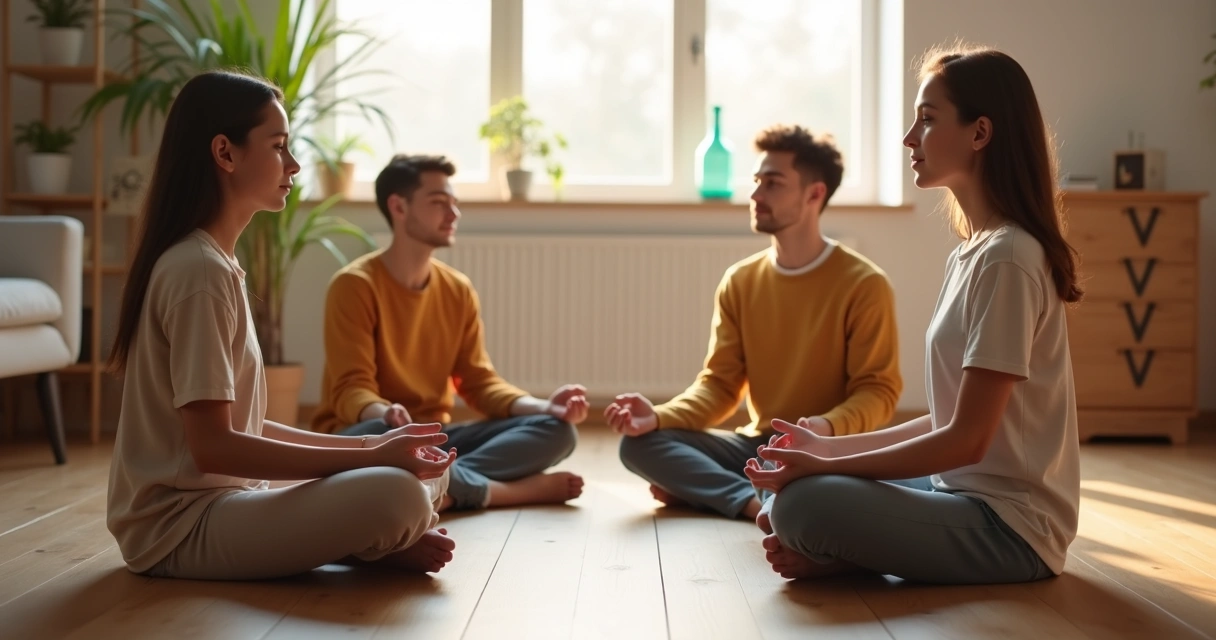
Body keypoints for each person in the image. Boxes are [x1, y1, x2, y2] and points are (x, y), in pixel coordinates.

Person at [747, 46, 1082, 585]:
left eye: (927, 119)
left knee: (798, 506)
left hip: (1011, 527)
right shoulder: (972, 251)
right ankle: (849, 548)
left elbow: (966, 440)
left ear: (980, 133)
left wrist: (827, 466)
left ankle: (849, 550)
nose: (909, 138)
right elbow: (949, 419)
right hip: (956, 488)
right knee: (785, 488)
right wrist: (825, 448)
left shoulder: (1009, 257)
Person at [105, 71, 458, 581]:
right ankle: (363, 541)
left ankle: (357, 540)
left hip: (233, 502)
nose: (293, 164)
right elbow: (213, 447)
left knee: (423, 469)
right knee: (399, 493)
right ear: (225, 153)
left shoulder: (216, 262)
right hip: (178, 527)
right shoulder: (198, 271)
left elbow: (244, 427)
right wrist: (372, 460)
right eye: (278, 146)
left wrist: (373, 448)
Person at [606, 125, 903, 521]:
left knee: (809, 479)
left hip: (828, 450)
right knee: (638, 445)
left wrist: (823, 428)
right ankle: (753, 502)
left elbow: (878, 392)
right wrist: (658, 416)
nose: (756, 194)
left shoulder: (864, 284)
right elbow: (719, 386)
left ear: (814, 194)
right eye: (757, 180)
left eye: (773, 183)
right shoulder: (740, 280)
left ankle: (714, 492)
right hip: (760, 448)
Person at [310, 154, 587, 511]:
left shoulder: (457, 289)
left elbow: (478, 383)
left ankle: (436, 487)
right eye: (439, 203)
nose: (453, 214)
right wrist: (387, 414)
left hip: (433, 439)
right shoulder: (354, 285)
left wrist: (547, 406)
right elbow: (350, 390)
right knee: (381, 434)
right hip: (370, 434)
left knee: (558, 431)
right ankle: (498, 491)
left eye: (454, 203)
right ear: (399, 206)